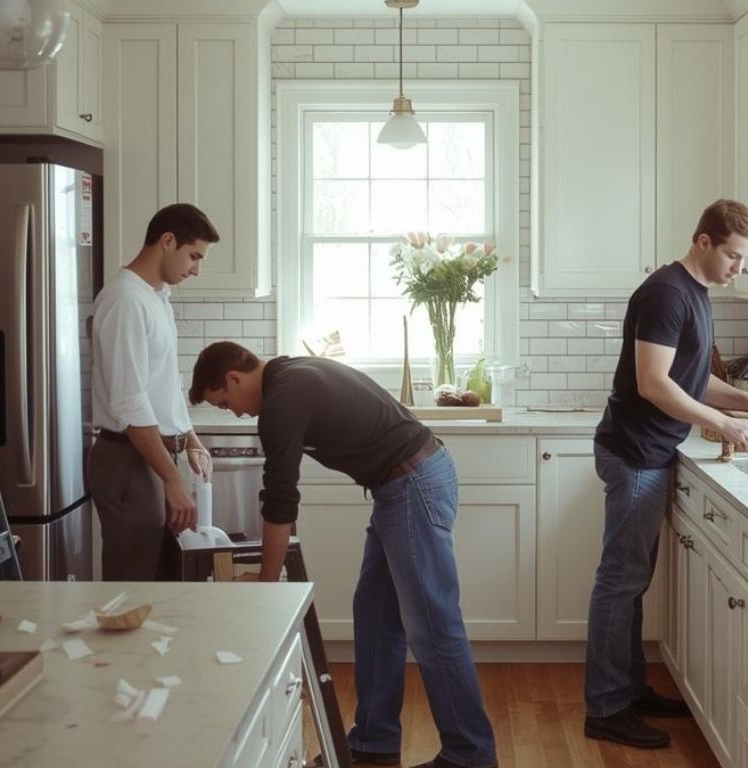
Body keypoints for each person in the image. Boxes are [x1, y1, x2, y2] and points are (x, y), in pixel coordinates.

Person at [188, 343, 497, 768]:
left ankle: (471, 755)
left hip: (412, 484)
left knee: (433, 623)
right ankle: (373, 742)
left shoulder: (282, 399)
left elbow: (280, 500)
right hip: (403, 485)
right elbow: (281, 500)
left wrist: (265, 580)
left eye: (226, 403)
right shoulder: (290, 373)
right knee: (375, 613)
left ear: (233, 379)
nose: (235, 413)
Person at [583, 199, 748, 749]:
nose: (738, 267)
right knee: (620, 582)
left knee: (631, 581)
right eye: (733, 254)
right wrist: (722, 424)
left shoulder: (694, 293)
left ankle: (627, 690)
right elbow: (653, 384)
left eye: (745, 258)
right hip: (634, 455)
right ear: (703, 241)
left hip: (650, 453)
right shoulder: (666, 293)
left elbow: (688, 380)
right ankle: (606, 708)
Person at [87, 203, 219, 581]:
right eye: (194, 256)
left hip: (152, 456)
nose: (195, 268)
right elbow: (130, 402)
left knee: (161, 582)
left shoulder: (156, 296)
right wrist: (173, 480)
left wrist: (191, 438)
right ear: (167, 241)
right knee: (134, 583)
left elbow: (162, 384)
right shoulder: (124, 300)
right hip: (128, 460)